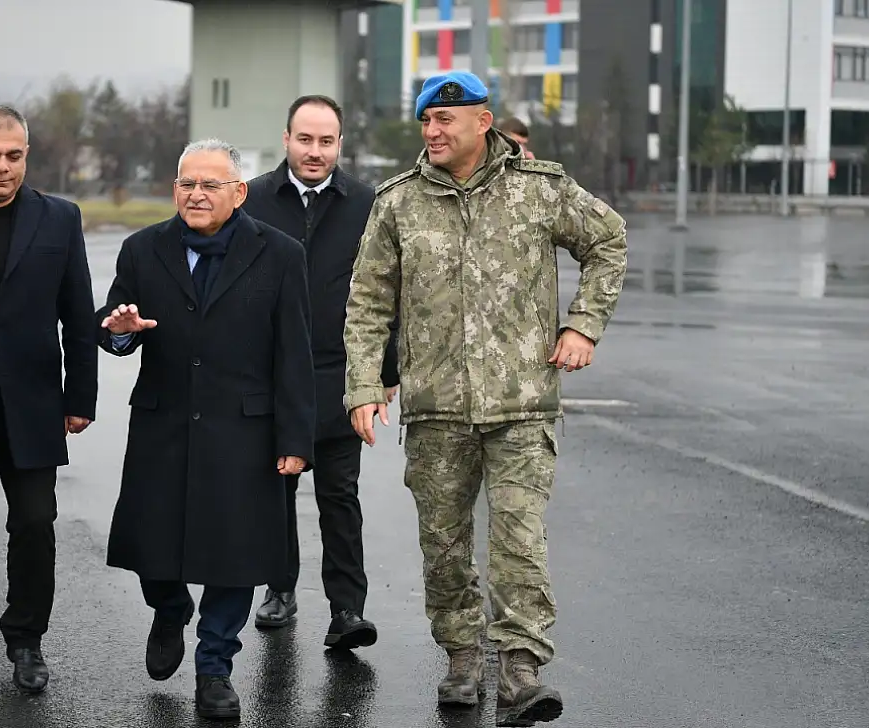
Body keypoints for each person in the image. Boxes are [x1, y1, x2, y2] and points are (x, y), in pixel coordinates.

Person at [343, 71, 627, 725]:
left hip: (522, 403)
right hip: (437, 407)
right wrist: (362, 386)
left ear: (484, 121)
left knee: (518, 540)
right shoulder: (398, 203)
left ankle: (522, 667)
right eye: (426, 122)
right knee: (443, 545)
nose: (432, 132)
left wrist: (584, 323)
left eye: (446, 121)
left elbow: (607, 241)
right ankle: (463, 657)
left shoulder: (541, 190)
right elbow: (366, 303)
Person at [99, 138, 314, 721]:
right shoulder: (144, 249)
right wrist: (119, 328)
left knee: (235, 556)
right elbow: (115, 326)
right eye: (186, 184)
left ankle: (215, 666)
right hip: (163, 424)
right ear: (175, 190)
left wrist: (296, 440)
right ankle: (168, 609)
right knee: (153, 548)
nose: (196, 194)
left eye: (210, 184)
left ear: (238, 192)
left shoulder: (281, 254)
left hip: (245, 431)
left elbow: (295, 353)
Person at [0, 104, 97, 695]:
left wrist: (80, 394)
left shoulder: (59, 218)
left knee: (35, 523)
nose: (2, 167)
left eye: (14, 156)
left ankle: (27, 639)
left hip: (33, 403)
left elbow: (78, 315)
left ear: (26, 156)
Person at [241, 94, 399, 647]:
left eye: (326, 141)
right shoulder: (253, 199)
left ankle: (347, 610)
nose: (314, 151)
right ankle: (279, 589)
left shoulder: (366, 202)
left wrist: (385, 371)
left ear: (339, 144)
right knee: (276, 490)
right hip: (268, 375)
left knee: (340, 493)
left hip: (340, 373)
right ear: (286, 139)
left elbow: (389, 290)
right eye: (304, 139)